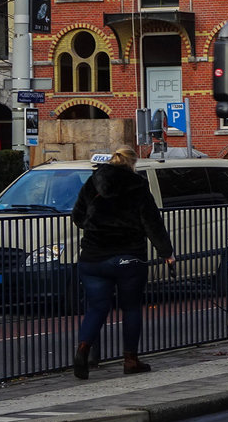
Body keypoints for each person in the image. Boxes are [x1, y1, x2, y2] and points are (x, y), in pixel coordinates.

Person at [70, 146, 175, 379]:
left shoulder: (93, 182)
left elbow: (77, 217)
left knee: (97, 307)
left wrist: (97, 225)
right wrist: (166, 252)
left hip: (93, 256)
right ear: (132, 163)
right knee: (131, 308)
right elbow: (152, 222)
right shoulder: (137, 186)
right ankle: (130, 360)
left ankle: (82, 350)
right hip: (128, 256)